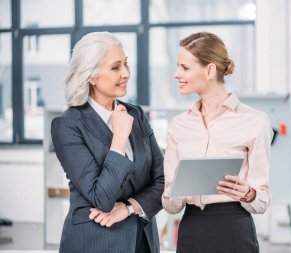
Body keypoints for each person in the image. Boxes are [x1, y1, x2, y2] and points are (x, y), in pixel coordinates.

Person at [51, 31, 164, 253]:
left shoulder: (136, 115)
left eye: (126, 64)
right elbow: (101, 197)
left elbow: (163, 181)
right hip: (95, 242)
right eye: (115, 67)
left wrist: (130, 208)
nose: (126, 73)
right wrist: (119, 139)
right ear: (91, 76)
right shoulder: (67, 125)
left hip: (143, 241)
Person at [162, 32, 273, 253]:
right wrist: (179, 191)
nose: (176, 74)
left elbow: (262, 200)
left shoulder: (254, 121)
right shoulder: (178, 125)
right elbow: (169, 204)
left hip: (234, 228)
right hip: (191, 229)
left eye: (184, 67)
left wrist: (248, 193)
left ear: (210, 70)